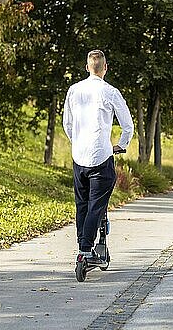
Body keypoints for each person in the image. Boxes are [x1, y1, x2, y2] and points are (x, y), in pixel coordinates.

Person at [62, 50, 134, 259]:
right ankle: (86, 248)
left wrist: (78, 142)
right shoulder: (110, 92)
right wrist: (120, 145)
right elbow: (127, 126)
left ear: (87, 68)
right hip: (101, 157)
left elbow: (67, 123)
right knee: (96, 205)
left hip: (79, 157)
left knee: (82, 204)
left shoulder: (74, 91)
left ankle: (81, 247)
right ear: (105, 68)